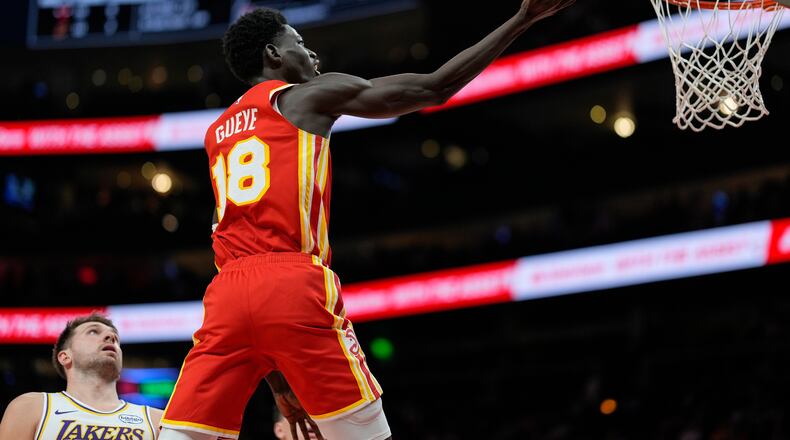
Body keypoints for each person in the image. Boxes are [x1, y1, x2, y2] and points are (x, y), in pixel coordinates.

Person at [158, 0, 574, 439]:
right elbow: (434, 88)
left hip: (225, 295)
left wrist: (278, 379)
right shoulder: (309, 95)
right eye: (300, 43)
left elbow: (252, 309)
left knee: (186, 434)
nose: (313, 55)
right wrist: (522, 18)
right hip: (291, 280)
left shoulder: (217, 131)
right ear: (273, 55)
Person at [0, 313, 163, 440]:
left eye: (116, 338)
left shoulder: (157, 420)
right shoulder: (31, 407)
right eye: (93, 331)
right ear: (65, 357)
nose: (111, 338)